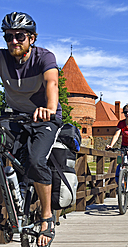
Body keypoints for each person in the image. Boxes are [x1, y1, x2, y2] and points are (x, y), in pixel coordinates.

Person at [0, 12, 63, 246]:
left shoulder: (44, 57)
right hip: (13, 116)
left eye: (19, 36)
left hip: (44, 117)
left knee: (37, 161)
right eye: (8, 36)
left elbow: (52, 83)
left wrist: (49, 107)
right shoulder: (2, 58)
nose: (13, 41)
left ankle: (47, 216)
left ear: (32, 38)